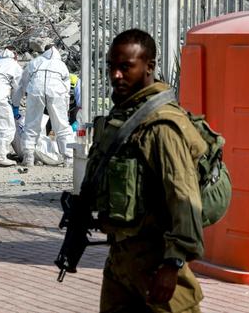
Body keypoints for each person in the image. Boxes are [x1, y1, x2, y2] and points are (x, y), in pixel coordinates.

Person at [83, 29, 205, 312]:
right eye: (111, 66)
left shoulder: (162, 127)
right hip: (121, 261)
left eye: (126, 67)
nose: (116, 75)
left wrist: (173, 265)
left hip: (157, 264)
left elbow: (185, 200)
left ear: (149, 67)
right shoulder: (122, 118)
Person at [15, 44, 74, 167]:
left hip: (36, 91)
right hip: (56, 92)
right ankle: (68, 158)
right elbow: (66, 87)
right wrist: (65, 105)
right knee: (62, 125)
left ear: (44, 52)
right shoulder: (61, 65)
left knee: (31, 124)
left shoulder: (35, 62)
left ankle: (28, 157)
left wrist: (27, 93)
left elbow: (24, 80)